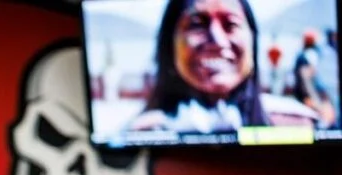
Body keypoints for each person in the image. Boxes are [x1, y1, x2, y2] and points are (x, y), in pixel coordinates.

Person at [129, 0, 320, 134]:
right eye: (197, 24)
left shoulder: (299, 125)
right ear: (169, 45)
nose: (218, 41)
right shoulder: (140, 133)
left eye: (230, 24)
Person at [293, 29, 338, 128]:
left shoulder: (303, 56)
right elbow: (306, 82)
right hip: (309, 101)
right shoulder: (307, 56)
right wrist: (316, 102)